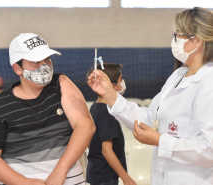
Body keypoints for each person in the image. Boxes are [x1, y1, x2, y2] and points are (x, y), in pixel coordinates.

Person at [87, 7, 213, 185]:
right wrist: (109, 93)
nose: (174, 40)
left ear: (198, 41)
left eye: (179, 35)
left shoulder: (209, 82)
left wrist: (161, 140)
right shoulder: (178, 76)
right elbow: (148, 117)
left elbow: (209, 149)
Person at [0, 33, 95, 185]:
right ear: (17, 68)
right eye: (36, 61)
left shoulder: (61, 83)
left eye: (47, 59)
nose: (45, 66)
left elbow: (85, 125)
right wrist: (25, 182)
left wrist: (60, 170)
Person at [86, 63, 136, 185]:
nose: (123, 83)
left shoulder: (95, 107)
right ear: (111, 86)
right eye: (121, 80)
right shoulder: (107, 112)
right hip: (105, 177)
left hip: (95, 173)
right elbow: (106, 150)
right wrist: (126, 178)